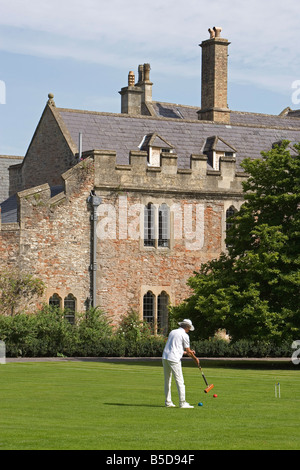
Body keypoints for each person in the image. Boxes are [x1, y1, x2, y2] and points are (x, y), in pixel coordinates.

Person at [162, 319, 199, 408]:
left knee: (167, 380)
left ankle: (168, 402)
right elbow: (188, 350)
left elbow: (175, 347)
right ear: (187, 327)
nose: (189, 330)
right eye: (189, 328)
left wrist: (187, 353)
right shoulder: (185, 335)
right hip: (174, 359)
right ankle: (182, 403)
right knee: (180, 381)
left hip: (165, 357)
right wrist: (195, 359)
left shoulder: (173, 332)